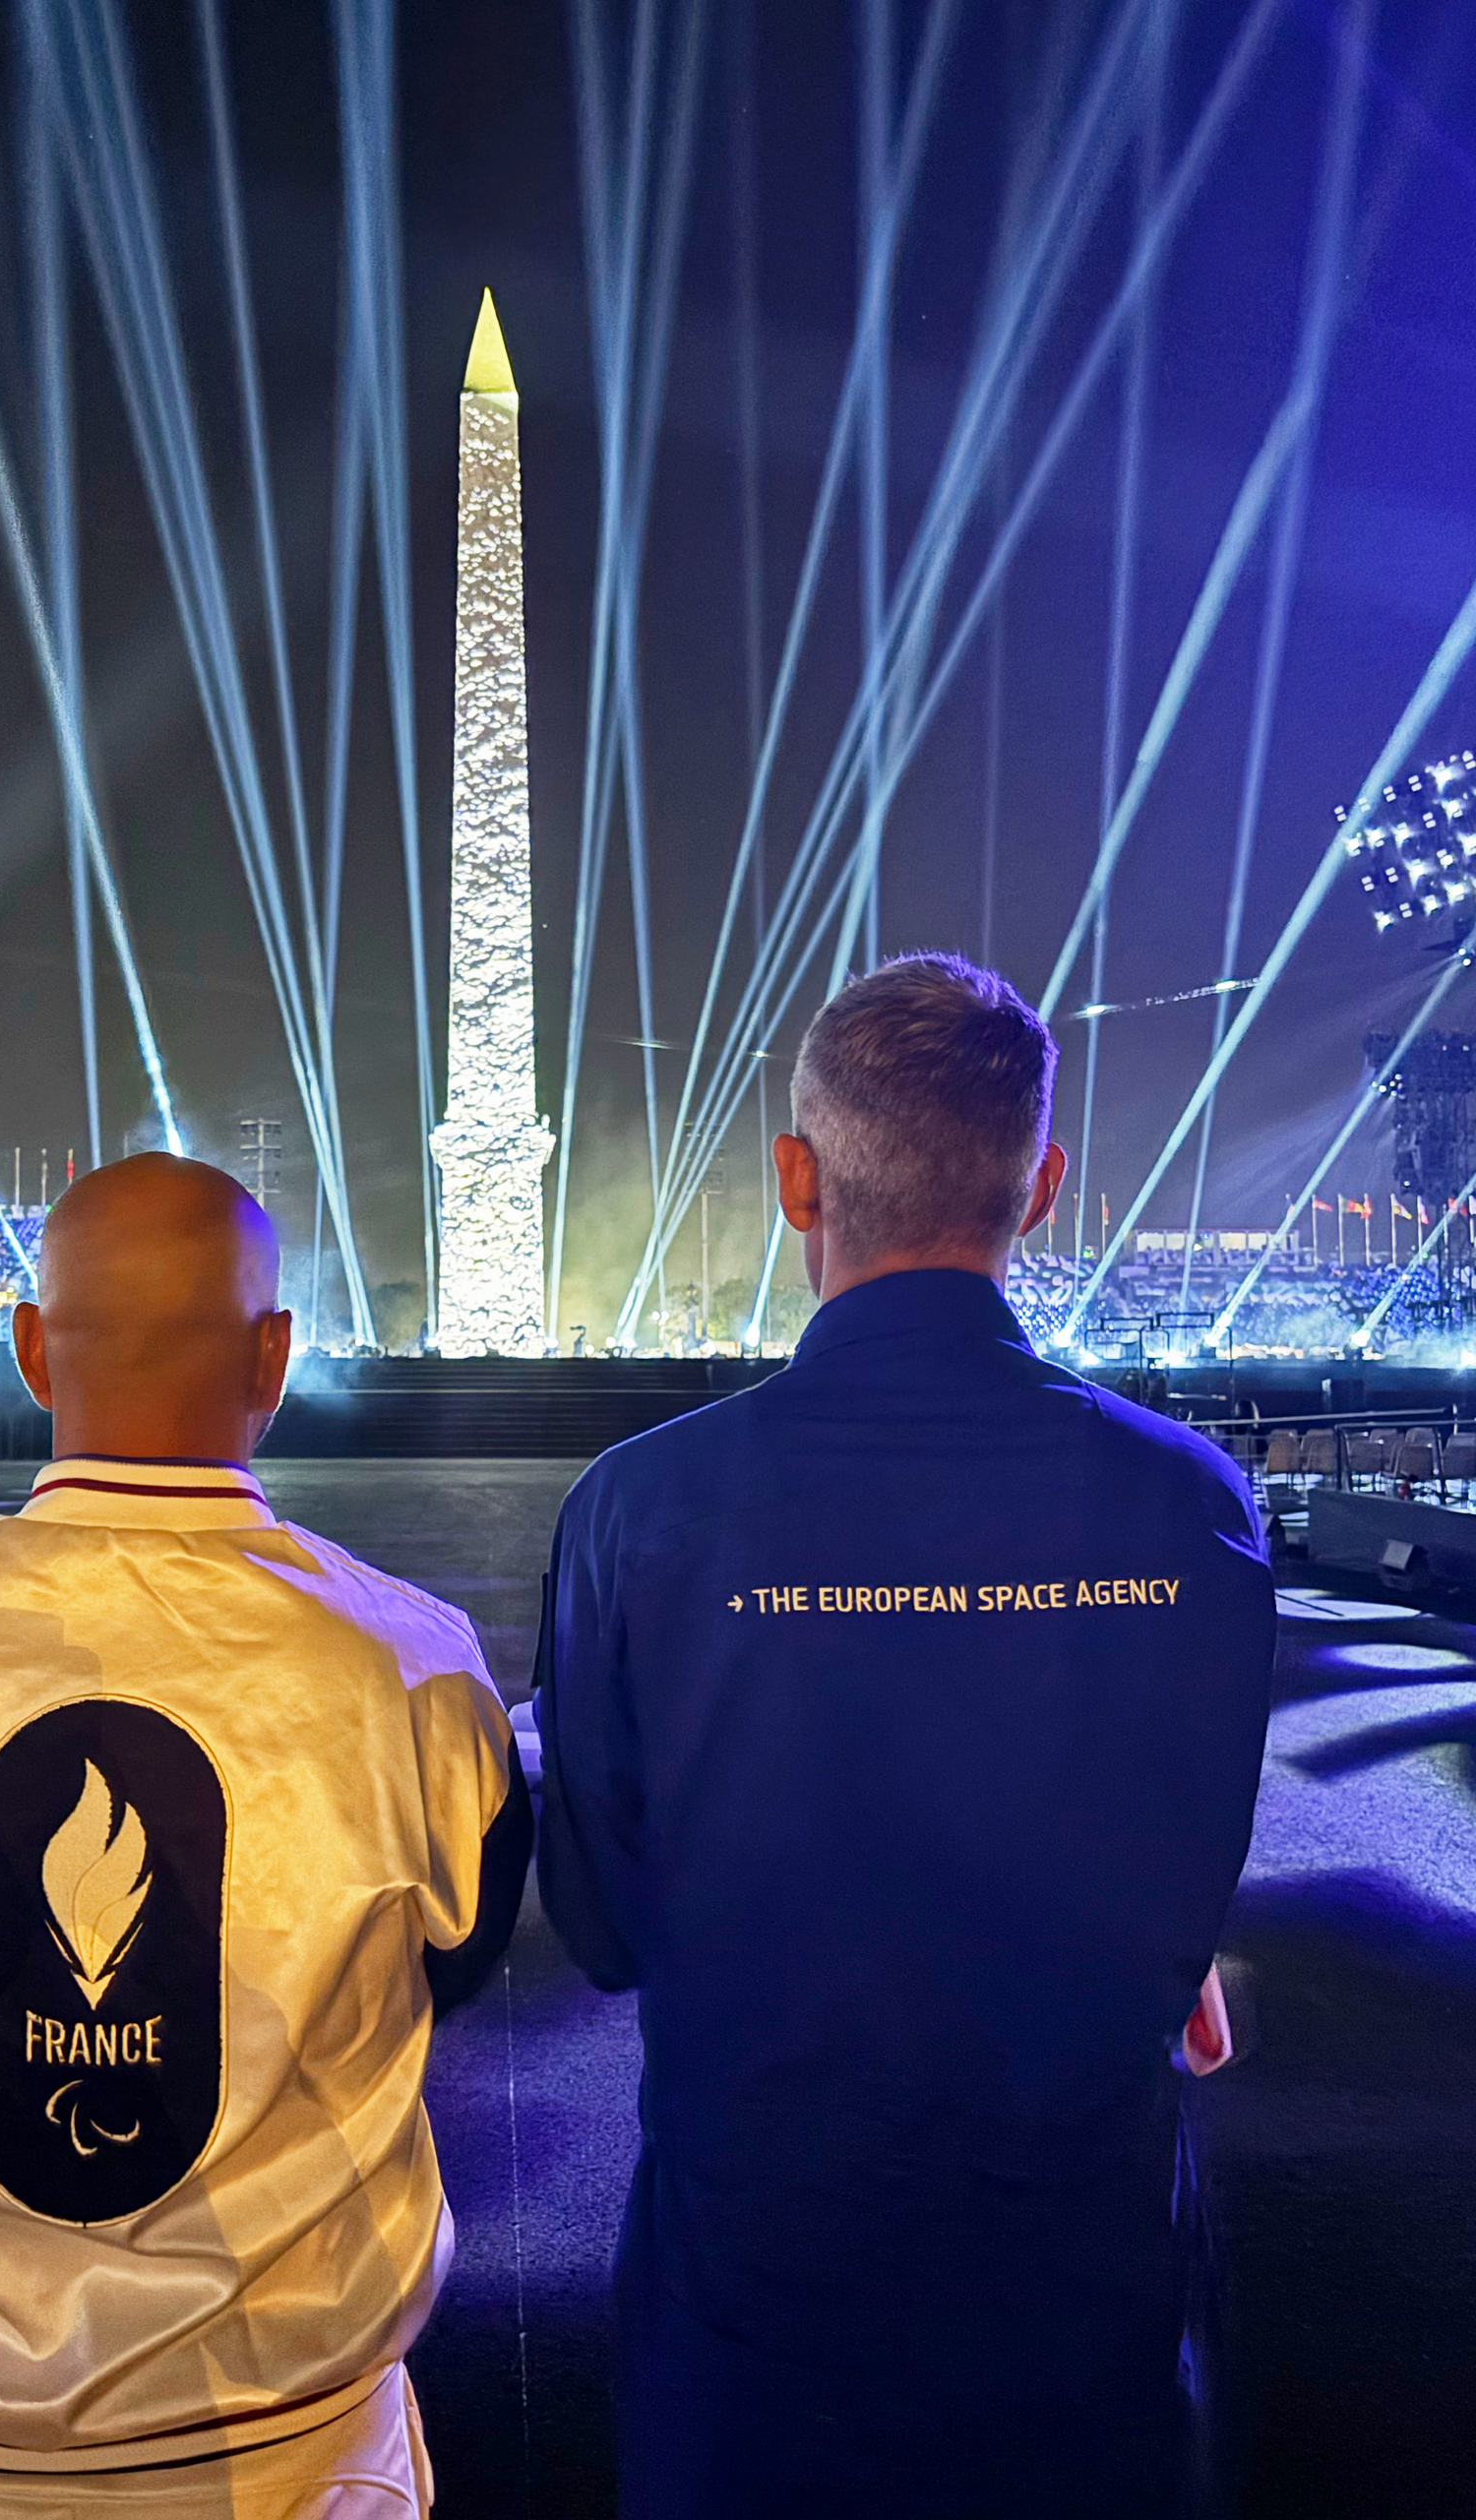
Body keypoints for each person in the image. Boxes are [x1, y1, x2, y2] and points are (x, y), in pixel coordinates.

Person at [535, 954, 1275, 2519]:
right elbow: (1177, 1869)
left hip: (760, 2300)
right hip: (1081, 2298)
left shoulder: (642, 1509)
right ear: (1045, 1183)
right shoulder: (1194, 1503)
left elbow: (600, 1925)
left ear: (796, 1179)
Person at [0, 1154, 530, 2517]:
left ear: (32, 1351)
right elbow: (457, 1958)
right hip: (289, 2440)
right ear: (274, 1357)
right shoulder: (409, 1662)